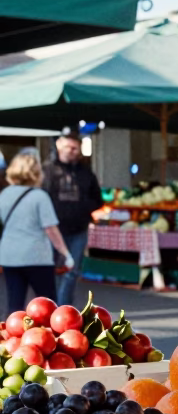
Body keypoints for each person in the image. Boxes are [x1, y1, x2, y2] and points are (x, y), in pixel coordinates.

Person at [0, 153, 74, 312]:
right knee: (48, 305)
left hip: (9, 256)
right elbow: (51, 229)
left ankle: (12, 336)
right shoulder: (39, 196)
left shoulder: (4, 195)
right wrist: (66, 254)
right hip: (37, 256)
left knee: (14, 305)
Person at [42, 130, 103, 305]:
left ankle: (64, 309)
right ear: (59, 146)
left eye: (76, 148)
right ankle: (51, 308)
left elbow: (97, 199)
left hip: (78, 229)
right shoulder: (48, 170)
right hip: (53, 230)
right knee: (51, 271)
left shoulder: (85, 172)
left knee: (72, 271)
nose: (73, 151)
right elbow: (41, 197)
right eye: (69, 147)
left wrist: (83, 208)